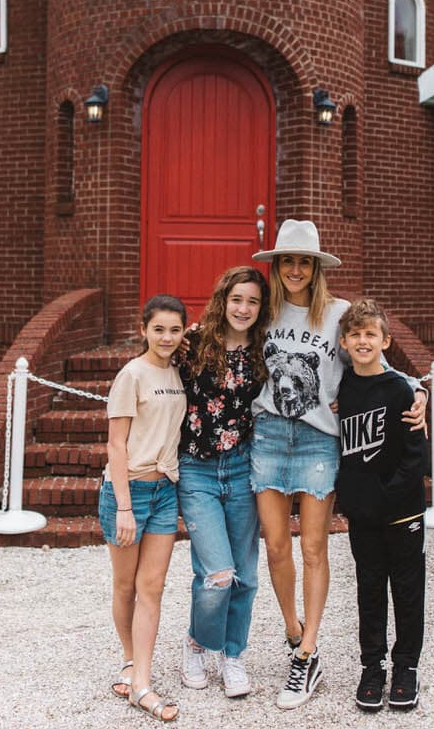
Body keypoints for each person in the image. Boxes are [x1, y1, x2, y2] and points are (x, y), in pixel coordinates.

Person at [249, 219, 427, 710]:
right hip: (266, 437)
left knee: (312, 549)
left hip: (318, 440)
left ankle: (306, 656)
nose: (296, 270)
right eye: (288, 260)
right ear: (277, 266)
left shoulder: (338, 313)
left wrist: (419, 391)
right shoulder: (264, 310)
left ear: (316, 267)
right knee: (277, 548)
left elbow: (375, 361)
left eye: (304, 261)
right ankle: (293, 632)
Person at [176, 265, 270, 699]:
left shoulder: (267, 351)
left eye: (252, 301)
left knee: (246, 576)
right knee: (216, 573)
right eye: (237, 299)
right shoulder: (194, 342)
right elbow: (149, 368)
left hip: (243, 468)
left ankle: (233, 655)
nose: (244, 308)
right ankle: (197, 643)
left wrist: (410, 388)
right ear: (223, 300)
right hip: (197, 470)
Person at [336, 298, 429, 713]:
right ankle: (372, 666)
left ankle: (405, 667)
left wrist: (390, 496)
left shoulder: (402, 389)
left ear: (386, 340)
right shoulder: (342, 388)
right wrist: (355, 499)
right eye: (355, 334)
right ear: (343, 341)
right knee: (369, 590)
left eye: (370, 333)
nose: (362, 340)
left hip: (402, 511)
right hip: (362, 514)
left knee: (407, 591)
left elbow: (416, 454)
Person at [99, 294, 188, 723]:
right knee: (125, 586)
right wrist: (123, 508)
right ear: (143, 330)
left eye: (175, 329)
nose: (166, 337)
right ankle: (131, 661)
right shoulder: (131, 375)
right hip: (128, 491)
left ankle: (142, 683)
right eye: (159, 329)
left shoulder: (178, 373)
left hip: (165, 490)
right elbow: (116, 444)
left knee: (152, 587)